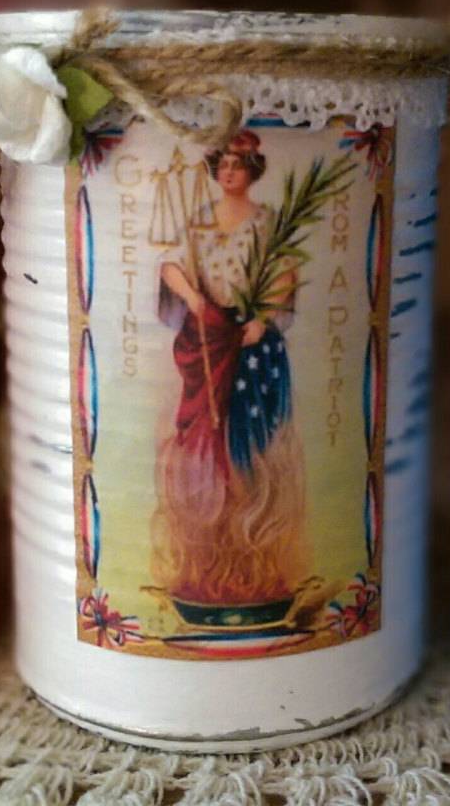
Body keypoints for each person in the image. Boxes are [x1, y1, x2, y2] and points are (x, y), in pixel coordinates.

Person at [153, 130, 311, 606]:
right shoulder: (200, 221)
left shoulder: (267, 223)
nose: (228, 172)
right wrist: (193, 297)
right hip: (211, 339)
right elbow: (170, 266)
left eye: (237, 165)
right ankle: (209, 560)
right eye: (222, 164)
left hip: (251, 345)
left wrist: (262, 319)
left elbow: (285, 275)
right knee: (206, 443)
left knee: (251, 446)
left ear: (252, 172)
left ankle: (256, 560)